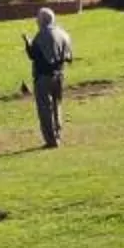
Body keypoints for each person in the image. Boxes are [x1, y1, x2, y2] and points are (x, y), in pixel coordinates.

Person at [25, 9, 74, 148]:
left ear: (42, 20)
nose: (36, 21)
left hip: (43, 77)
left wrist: (28, 44)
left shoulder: (42, 34)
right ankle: (58, 133)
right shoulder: (63, 33)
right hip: (59, 74)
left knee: (45, 108)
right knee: (56, 105)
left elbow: (34, 55)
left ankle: (50, 139)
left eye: (38, 19)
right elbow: (68, 55)